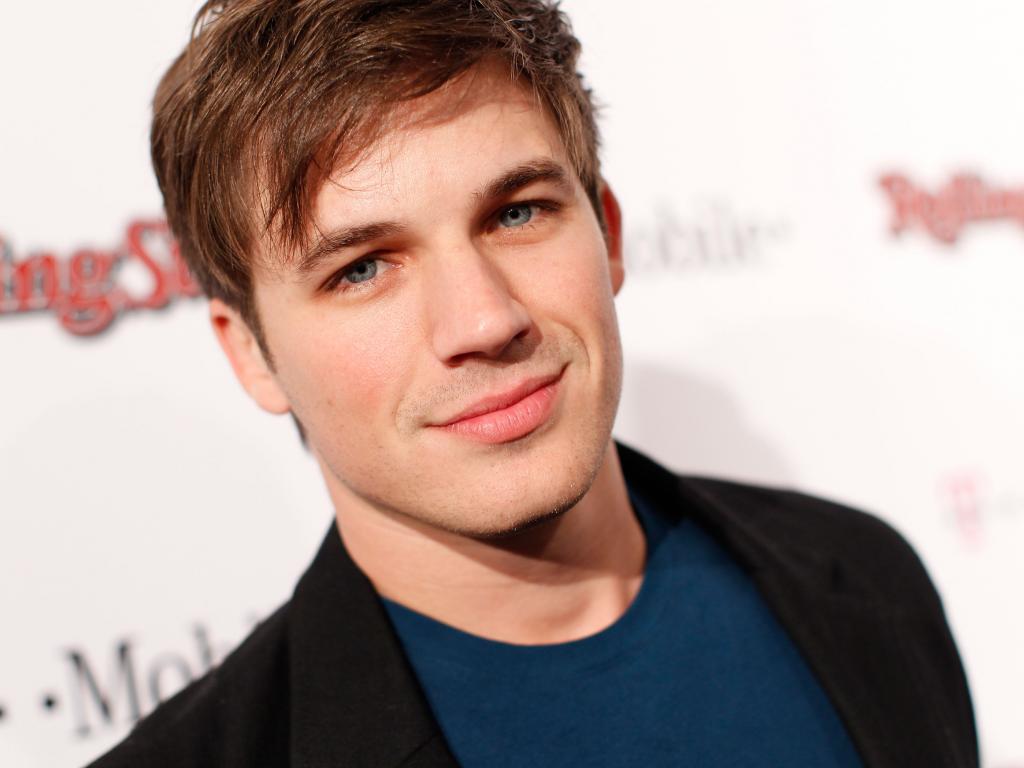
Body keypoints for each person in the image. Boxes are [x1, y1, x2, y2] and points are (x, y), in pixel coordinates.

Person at [88, 1, 977, 766]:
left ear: (609, 232)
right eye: (362, 268)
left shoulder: (866, 576)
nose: (484, 320)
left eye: (516, 213)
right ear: (250, 354)